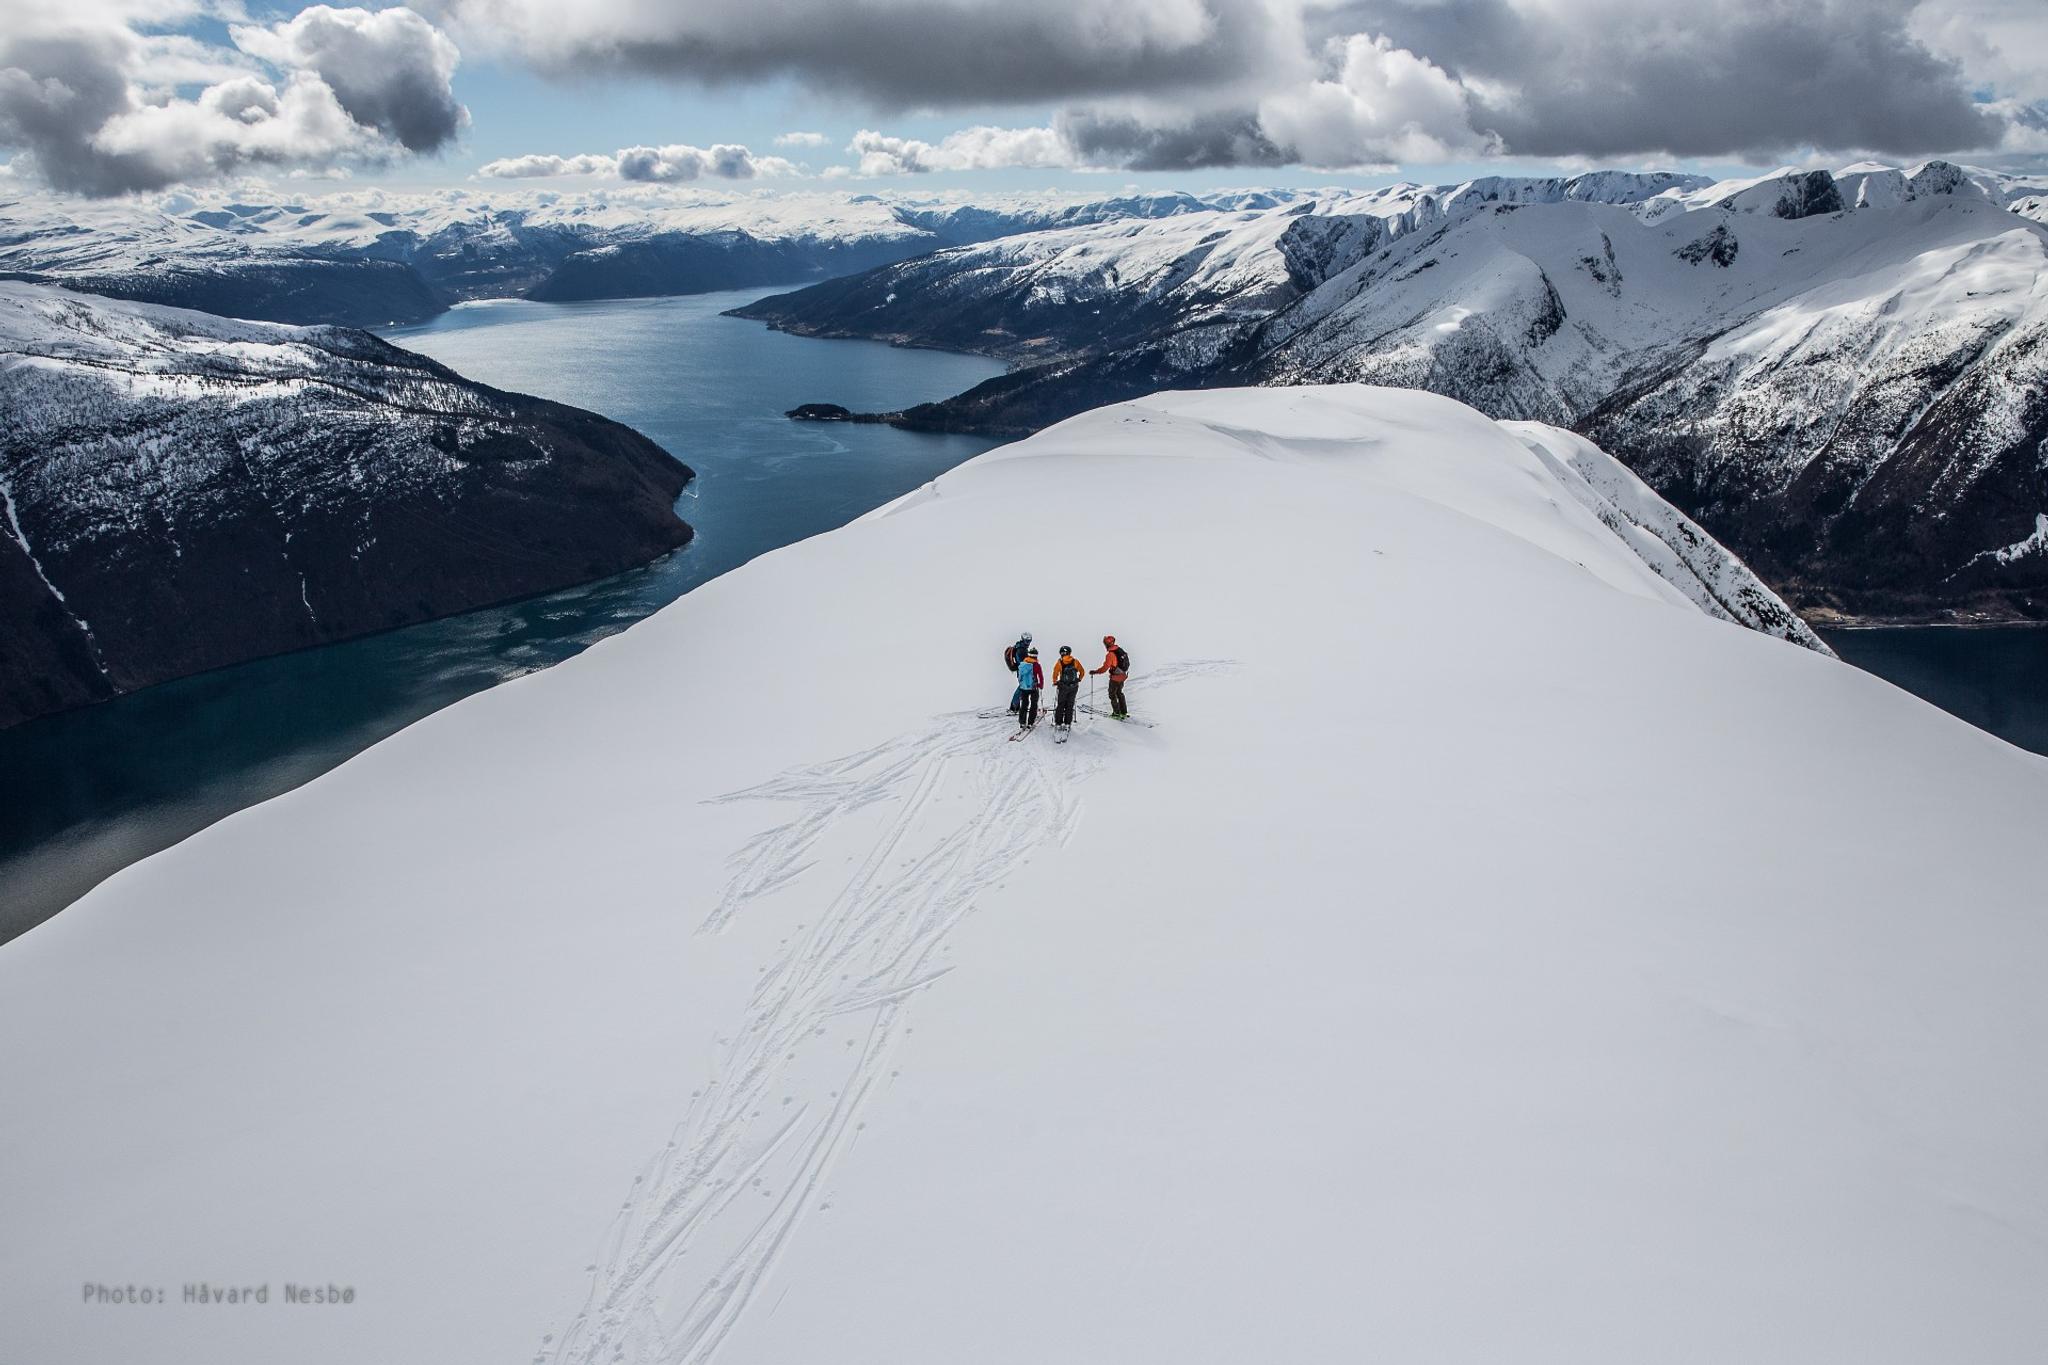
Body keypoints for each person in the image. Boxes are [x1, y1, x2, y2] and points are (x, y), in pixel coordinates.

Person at [1091, 634, 1130, 719]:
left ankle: (1116, 713)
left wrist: (1096, 672)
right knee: (1119, 693)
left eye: (1105, 643)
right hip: (1123, 675)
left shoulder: (1110, 654)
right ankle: (1123, 712)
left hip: (1115, 677)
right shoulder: (1120, 650)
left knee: (1112, 694)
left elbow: (1105, 668)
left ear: (1107, 644)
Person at [1047, 645, 1085, 732]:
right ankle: (1068, 724)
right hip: (1074, 686)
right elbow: (1082, 671)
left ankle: (1058, 723)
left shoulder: (1059, 663)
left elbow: (1055, 673)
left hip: (1063, 686)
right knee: (1070, 705)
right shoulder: (1075, 661)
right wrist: (1079, 679)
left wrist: (1055, 681)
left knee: (1060, 705)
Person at [1003, 631, 1033, 713]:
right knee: (1021, 688)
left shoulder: (1020, 647)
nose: (1028, 642)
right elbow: (1022, 662)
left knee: (1022, 688)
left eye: (1030, 640)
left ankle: (1016, 706)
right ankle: (1014, 707)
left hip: (1022, 671)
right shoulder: (1021, 649)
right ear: (1023, 639)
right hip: (1022, 672)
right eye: (1027, 640)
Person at [1016, 648, 1044, 729]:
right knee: (1034, 704)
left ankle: (1022, 722)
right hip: (1033, 687)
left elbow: (1020, 676)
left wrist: (1021, 684)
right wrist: (1040, 685)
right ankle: (1030, 722)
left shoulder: (1022, 664)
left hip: (1023, 687)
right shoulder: (1036, 665)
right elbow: (1040, 677)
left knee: (1024, 704)